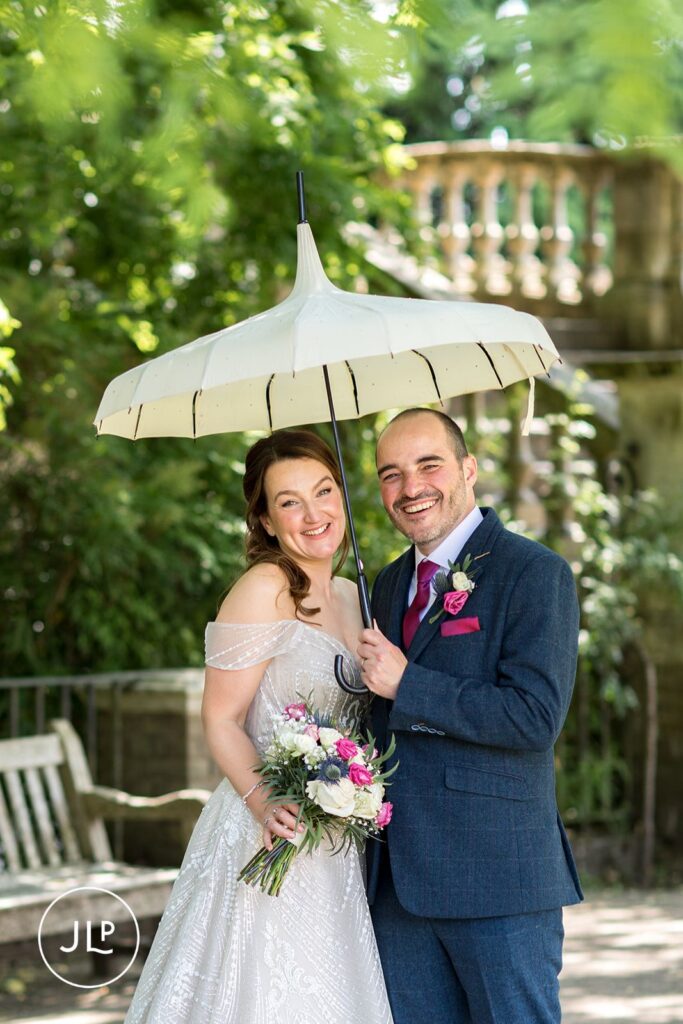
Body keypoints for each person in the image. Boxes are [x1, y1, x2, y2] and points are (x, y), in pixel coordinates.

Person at [124, 428, 393, 1024]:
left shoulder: (355, 596)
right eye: (289, 502)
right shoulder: (265, 588)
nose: (313, 513)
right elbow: (218, 716)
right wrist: (264, 798)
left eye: (324, 491)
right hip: (267, 828)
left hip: (335, 845)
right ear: (267, 521)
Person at [358, 407, 583, 1024]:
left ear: (468, 468)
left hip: (498, 878)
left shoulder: (534, 573)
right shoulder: (384, 584)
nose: (410, 488)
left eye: (428, 465)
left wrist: (411, 684)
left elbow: (535, 717)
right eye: (391, 474)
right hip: (399, 884)